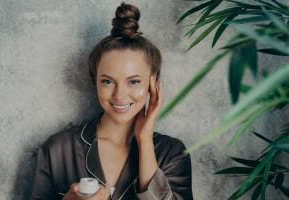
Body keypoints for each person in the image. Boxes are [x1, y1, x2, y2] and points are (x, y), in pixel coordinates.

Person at [31, 2, 193, 200]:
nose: (119, 95)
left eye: (133, 81)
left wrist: (145, 141)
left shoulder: (172, 153)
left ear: (153, 83)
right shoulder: (57, 149)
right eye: (107, 81)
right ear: (95, 81)